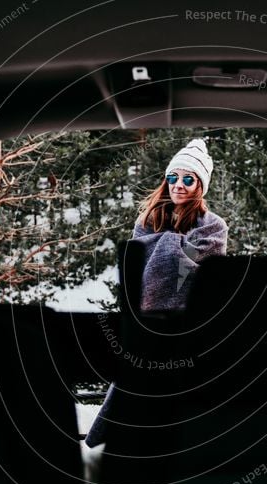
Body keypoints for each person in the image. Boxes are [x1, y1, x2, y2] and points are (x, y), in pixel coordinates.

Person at [85, 138, 228, 447]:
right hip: (147, 319)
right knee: (136, 388)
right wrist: (178, 246)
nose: (178, 184)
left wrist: (165, 245)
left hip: (192, 322)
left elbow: (211, 270)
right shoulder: (148, 220)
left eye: (188, 179)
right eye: (173, 177)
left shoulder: (214, 225)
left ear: (199, 185)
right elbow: (137, 264)